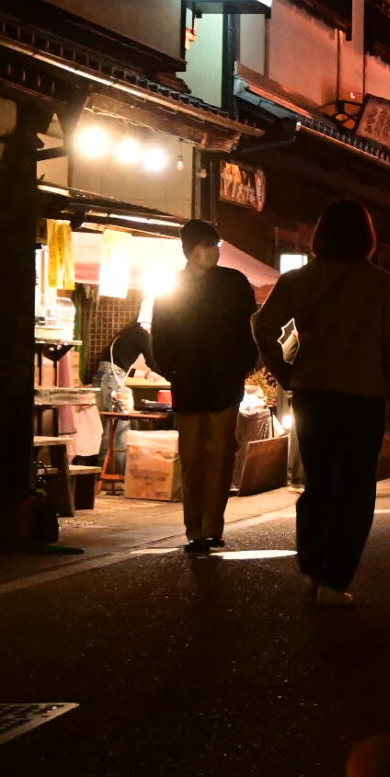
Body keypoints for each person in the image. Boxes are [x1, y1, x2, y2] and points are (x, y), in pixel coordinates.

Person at [252, 199, 390, 606]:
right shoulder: (381, 285)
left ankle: (312, 566)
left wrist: (285, 371)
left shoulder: (299, 280)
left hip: (313, 394)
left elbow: (263, 325)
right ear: (366, 237)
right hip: (363, 397)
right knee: (355, 488)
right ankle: (334, 579)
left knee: (319, 483)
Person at [148, 219, 260, 553]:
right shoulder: (173, 287)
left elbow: (249, 328)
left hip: (224, 382)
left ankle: (212, 527)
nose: (214, 252)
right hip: (190, 384)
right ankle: (194, 529)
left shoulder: (234, 283)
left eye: (216, 245)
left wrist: (242, 365)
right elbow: (160, 335)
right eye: (208, 245)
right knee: (192, 457)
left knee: (221, 454)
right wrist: (173, 371)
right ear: (191, 251)